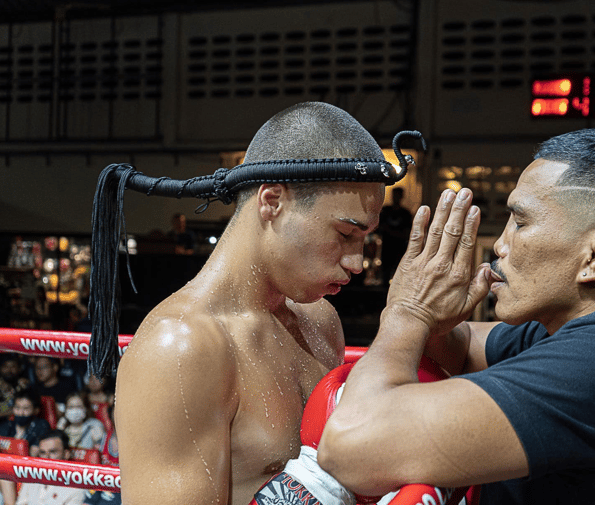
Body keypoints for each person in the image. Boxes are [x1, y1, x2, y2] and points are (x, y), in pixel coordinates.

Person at [317, 129, 595, 504]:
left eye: (522, 221)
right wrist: (431, 311)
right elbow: (464, 345)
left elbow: (352, 445)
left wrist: (407, 312)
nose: (500, 244)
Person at [86, 102, 421, 505]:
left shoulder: (320, 319)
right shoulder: (180, 348)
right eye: (345, 234)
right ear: (272, 202)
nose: (356, 261)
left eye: (365, 239)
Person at [15, 430, 86, 505]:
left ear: (66, 454)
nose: (47, 457)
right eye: (43, 452)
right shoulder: (31, 477)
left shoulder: (76, 487)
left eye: (53, 452)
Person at [376, 187, 413, 283]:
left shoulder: (405, 214)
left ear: (401, 197)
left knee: (399, 273)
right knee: (385, 273)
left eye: (397, 195)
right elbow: (378, 228)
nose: (395, 197)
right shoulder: (385, 211)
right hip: (387, 248)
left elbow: (407, 233)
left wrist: (389, 231)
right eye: (394, 195)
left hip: (399, 249)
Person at [0, 388, 51, 456]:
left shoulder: (41, 426)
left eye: (26, 408)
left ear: (36, 410)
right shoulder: (6, 425)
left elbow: (33, 455)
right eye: (17, 408)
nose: (21, 413)